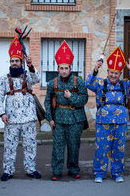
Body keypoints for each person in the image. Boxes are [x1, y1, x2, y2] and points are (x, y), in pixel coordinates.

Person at [85, 46, 130, 183]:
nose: (113, 75)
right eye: (111, 72)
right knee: (101, 149)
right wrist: (95, 69)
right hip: (103, 123)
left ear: (120, 73)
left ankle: (117, 173)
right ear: (108, 71)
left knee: (119, 149)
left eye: (116, 73)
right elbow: (87, 83)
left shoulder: (125, 85)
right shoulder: (100, 84)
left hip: (121, 122)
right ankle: (99, 173)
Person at [0, 36, 41, 181]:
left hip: (29, 119)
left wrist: (31, 65)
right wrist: (2, 114)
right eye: (12, 61)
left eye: (17, 61)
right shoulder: (4, 78)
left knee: (30, 146)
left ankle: (31, 169)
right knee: (9, 147)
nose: (14, 63)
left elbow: (37, 78)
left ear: (21, 62)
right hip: (12, 120)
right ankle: (8, 170)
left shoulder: (28, 76)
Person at [44, 40, 88, 181]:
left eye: (66, 68)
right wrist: (50, 119)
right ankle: (56, 171)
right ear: (58, 69)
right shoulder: (52, 83)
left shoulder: (79, 82)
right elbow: (47, 102)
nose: (64, 71)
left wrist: (71, 97)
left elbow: (84, 99)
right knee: (57, 147)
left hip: (76, 119)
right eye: (61, 68)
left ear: (70, 68)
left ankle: (73, 169)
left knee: (74, 146)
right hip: (58, 119)